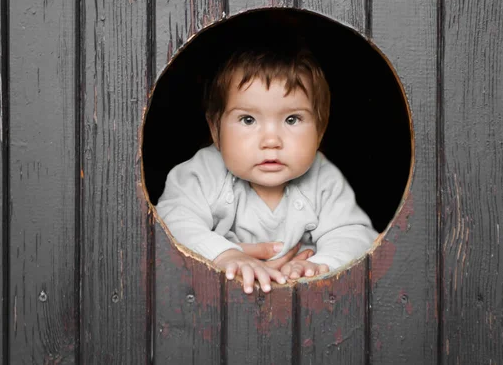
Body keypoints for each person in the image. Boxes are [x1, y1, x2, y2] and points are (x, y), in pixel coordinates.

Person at [155, 41, 378, 294]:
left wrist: (318, 266)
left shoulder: (322, 179)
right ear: (215, 129)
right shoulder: (203, 173)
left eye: (292, 119)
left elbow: (356, 236)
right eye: (248, 119)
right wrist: (226, 255)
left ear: (320, 131)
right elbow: (170, 222)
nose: (271, 141)